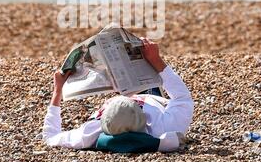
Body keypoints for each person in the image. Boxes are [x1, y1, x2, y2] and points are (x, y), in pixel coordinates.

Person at [42, 38, 194, 152]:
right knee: (142, 66)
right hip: (151, 96)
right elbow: (182, 97)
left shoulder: (91, 132)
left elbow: (50, 136)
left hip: (127, 95)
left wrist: (58, 90)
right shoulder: (164, 128)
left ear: (103, 122)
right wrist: (156, 59)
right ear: (143, 116)